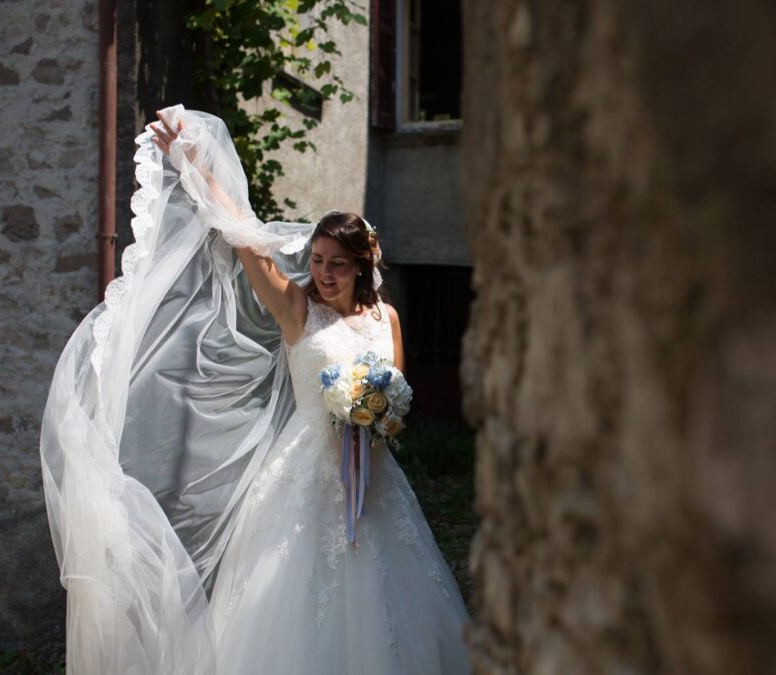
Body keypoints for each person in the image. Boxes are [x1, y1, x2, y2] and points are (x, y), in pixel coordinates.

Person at [39, 106, 471, 674]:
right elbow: (245, 238)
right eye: (317, 260)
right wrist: (195, 164)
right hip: (302, 476)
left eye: (338, 264)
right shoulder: (297, 310)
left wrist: (378, 414)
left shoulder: (385, 317)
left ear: (362, 266)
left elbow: (399, 397)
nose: (324, 273)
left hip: (375, 479)